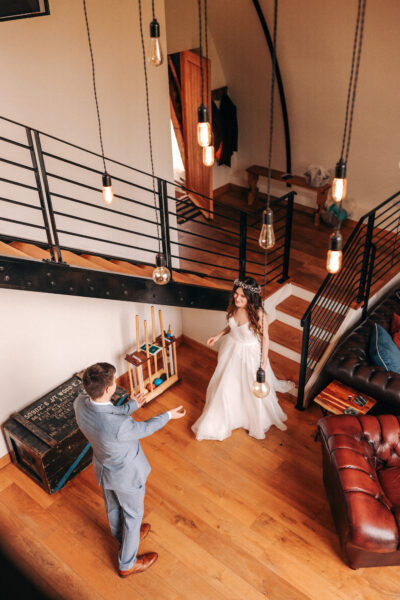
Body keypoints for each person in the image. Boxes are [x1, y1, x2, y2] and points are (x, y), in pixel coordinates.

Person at [74, 362, 185, 578]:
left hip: (104, 468)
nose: (115, 384)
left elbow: (107, 413)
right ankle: (127, 563)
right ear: (108, 389)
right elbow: (144, 428)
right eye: (114, 381)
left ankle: (123, 539)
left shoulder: (80, 403)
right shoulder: (118, 426)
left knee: (113, 507)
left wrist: (131, 406)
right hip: (126, 475)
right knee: (133, 516)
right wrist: (168, 416)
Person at [192, 277, 293, 441]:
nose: (237, 298)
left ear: (250, 298)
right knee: (225, 386)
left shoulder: (259, 314)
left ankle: (251, 417)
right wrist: (217, 336)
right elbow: (231, 326)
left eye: (242, 296)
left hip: (250, 355)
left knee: (249, 387)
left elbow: (265, 338)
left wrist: (263, 362)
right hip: (231, 350)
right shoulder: (234, 307)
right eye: (236, 294)